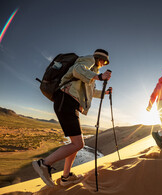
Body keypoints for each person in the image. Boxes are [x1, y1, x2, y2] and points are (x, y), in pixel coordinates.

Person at [32, 49, 112, 187]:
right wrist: (99, 77)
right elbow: (77, 70)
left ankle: (66, 176)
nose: (103, 64)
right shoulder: (89, 60)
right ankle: (44, 164)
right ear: (99, 58)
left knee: (76, 144)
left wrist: (105, 92)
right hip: (66, 100)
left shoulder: (91, 73)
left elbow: (90, 92)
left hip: (71, 104)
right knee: (78, 144)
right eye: (104, 61)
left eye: (106, 63)